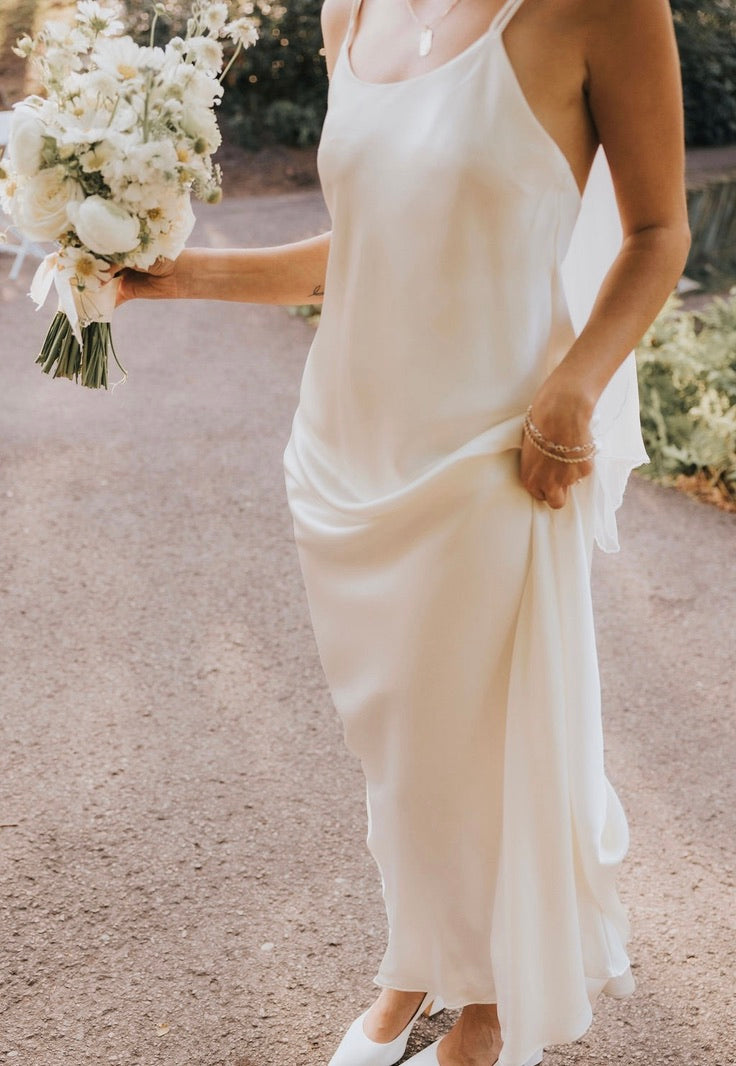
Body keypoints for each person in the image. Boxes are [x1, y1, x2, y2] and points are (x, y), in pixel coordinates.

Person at [118, 0, 690, 1062]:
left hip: (488, 451)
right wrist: (178, 275)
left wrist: (576, 385)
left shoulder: (603, 8)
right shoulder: (351, 9)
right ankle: (414, 961)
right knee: (401, 749)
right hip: (348, 453)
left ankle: (490, 1008)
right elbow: (370, 246)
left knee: (475, 744)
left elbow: (659, 234)